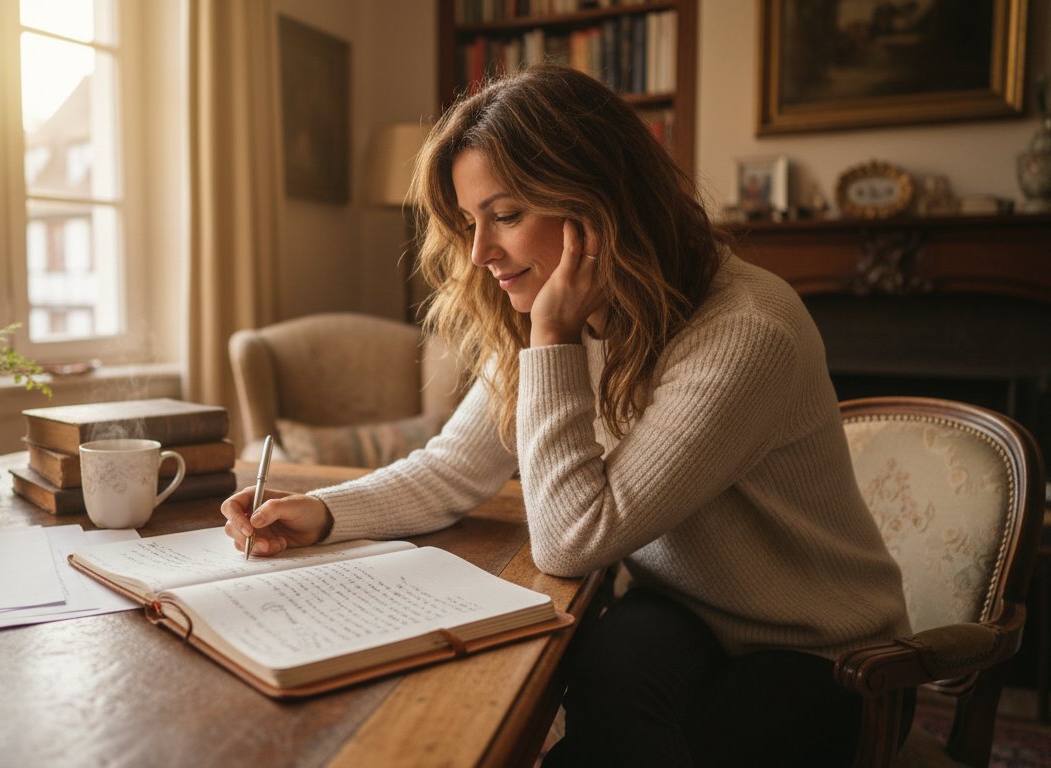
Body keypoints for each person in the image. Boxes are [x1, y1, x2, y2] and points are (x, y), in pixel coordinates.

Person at [220, 64, 912, 767]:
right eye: (468, 222)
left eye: (507, 215)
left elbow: (573, 541)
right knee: (598, 677)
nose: (480, 253)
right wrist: (322, 511)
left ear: (598, 200)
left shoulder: (746, 329)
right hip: (688, 613)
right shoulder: (552, 302)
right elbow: (455, 467)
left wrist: (550, 341)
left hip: (823, 653)